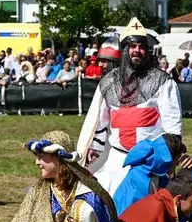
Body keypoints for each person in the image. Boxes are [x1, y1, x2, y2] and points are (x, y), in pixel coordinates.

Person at [77, 18, 183, 195]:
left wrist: (170, 157)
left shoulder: (162, 82)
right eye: (132, 46)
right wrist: (95, 148)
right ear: (125, 49)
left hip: (148, 161)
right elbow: (100, 120)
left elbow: (172, 125)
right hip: (116, 159)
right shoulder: (109, 82)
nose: (137, 50)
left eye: (141, 46)